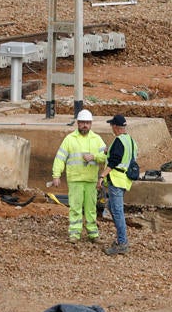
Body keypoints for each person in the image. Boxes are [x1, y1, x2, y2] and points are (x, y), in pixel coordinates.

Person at [50, 109, 106, 243]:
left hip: (91, 180)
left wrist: (94, 157)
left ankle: (93, 234)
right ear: (78, 123)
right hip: (75, 179)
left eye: (87, 123)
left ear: (91, 124)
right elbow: (60, 158)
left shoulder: (97, 139)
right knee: (75, 207)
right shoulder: (70, 139)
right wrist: (56, 175)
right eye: (82, 123)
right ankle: (74, 234)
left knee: (91, 208)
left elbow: (105, 157)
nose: (85, 125)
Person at [102, 114, 139, 255]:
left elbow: (114, 161)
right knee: (111, 207)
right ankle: (121, 240)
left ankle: (122, 243)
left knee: (117, 211)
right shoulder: (130, 140)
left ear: (116, 127)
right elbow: (131, 156)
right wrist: (108, 151)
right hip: (125, 180)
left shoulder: (118, 141)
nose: (111, 128)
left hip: (116, 179)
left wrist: (102, 176)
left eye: (112, 125)